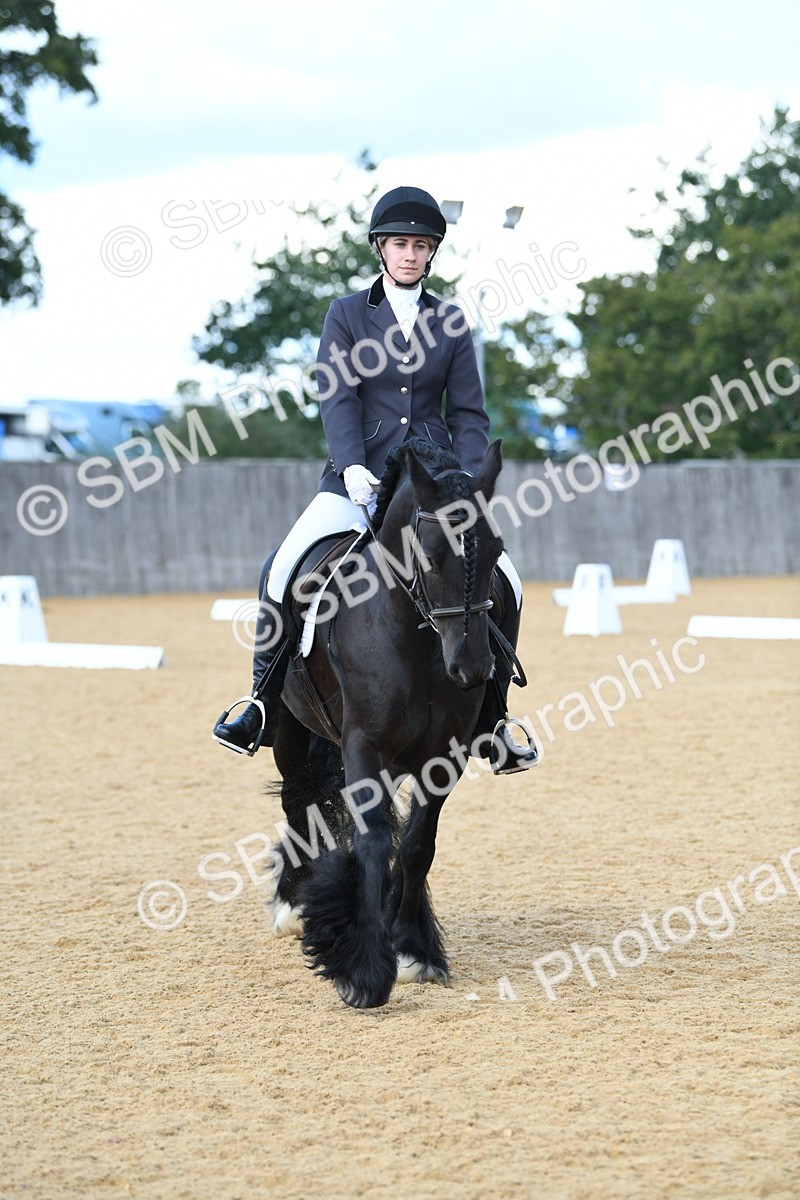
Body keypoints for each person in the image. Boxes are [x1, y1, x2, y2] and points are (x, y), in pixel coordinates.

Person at [212, 186, 538, 773]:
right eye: (400, 244)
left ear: (431, 253)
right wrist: (354, 463)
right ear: (380, 249)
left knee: (506, 578)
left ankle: (495, 718)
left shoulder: (451, 320)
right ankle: (261, 701)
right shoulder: (346, 314)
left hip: (433, 484)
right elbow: (336, 395)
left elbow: (468, 413)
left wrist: (462, 478)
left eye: (420, 245)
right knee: (282, 567)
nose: (410, 254)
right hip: (355, 479)